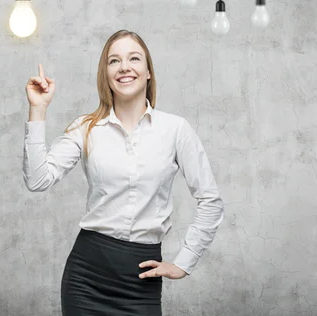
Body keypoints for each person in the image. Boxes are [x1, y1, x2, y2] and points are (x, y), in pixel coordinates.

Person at [22, 30, 225, 316]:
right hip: (86, 278)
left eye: (134, 58)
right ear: (105, 74)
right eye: (114, 61)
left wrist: (184, 262)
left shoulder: (175, 130)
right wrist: (38, 110)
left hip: (140, 283)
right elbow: (37, 179)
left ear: (148, 71)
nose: (124, 67)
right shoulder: (86, 127)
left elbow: (211, 201)